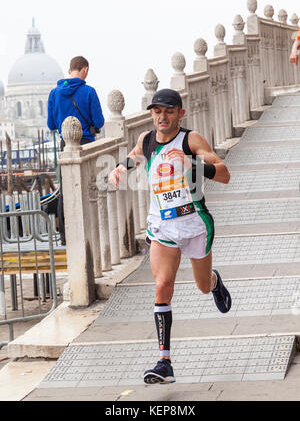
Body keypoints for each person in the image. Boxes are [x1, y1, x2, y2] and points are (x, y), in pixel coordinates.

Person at [109, 88, 231, 384]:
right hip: (162, 226)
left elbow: (225, 173)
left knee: (201, 286)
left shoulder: (191, 140)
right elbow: (136, 155)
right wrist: (119, 168)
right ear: (151, 114)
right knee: (162, 285)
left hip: (194, 224)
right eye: (157, 111)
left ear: (180, 113)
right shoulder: (147, 139)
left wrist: (193, 164)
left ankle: (214, 281)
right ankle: (165, 363)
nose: (162, 117)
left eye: (169, 111)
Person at [47, 56, 105, 244]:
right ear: (85, 70)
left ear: (69, 68)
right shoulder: (89, 92)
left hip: (66, 146)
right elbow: (99, 122)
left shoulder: (54, 94)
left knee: (66, 190)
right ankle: (91, 229)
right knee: (91, 188)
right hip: (87, 144)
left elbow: (51, 124)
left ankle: (65, 234)